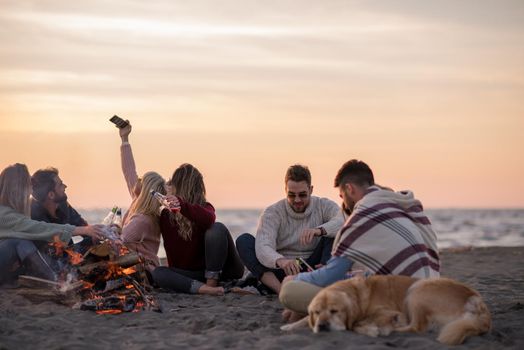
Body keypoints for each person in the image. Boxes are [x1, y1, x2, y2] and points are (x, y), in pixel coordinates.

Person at [279, 159, 440, 316]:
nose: (344, 204)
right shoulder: (395, 204)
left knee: (289, 289)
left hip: (400, 303)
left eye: (342, 196)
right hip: (427, 293)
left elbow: (330, 277)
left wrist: (297, 277)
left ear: (349, 189)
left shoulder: (362, 215)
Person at [236, 164, 345, 294]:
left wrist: (319, 230)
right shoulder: (273, 212)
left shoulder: (323, 205)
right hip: (281, 269)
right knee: (244, 241)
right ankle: (280, 291)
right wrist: (281, 261)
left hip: (313, 266)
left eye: (302, 195)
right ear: (285, 190)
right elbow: (263, 246)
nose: (297, 200)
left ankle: (321, 284)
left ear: (311, 189)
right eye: (292, 195)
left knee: (333, 234)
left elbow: (344, 220)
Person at [0, 163, 104, 285]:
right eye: (29, 184)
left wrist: (97, 232)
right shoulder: (4, 215)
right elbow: (38, 228)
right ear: (18, 188)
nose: (32, 189)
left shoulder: (15, 211)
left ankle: (59, 279)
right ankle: (55, 283)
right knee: (19, 242)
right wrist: (81, 230)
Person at [151, 164, 245, 296]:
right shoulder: (166, 216)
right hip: (192, 275)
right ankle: (207, 289)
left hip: (224, 271)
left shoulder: (205, 208)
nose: (170, 185)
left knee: (217, 228)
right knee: (158, 273)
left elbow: (209, 219)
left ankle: (211, 284)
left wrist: (182, 206)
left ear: (181, 186)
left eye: (173, 182)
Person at [116, 122, 166, 273]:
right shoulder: (138, 200)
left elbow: (121, 241)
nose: (137, 179)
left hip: (145, 271)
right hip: (137, 265)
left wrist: (112, 228)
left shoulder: (143, 219)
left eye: (141, 179)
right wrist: (124, 139)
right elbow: (128, 170)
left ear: (145, 189)